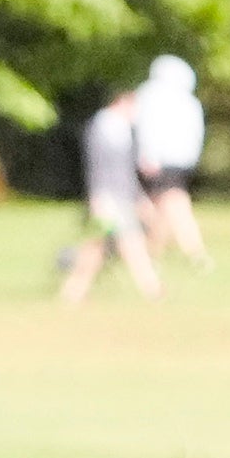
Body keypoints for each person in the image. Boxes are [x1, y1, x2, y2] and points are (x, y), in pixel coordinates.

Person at [55, 72, 164, 303]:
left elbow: (126, 170)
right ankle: (151, 288)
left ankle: (73, 291)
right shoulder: (103, 126)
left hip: (121, 196)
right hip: (108, 198)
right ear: (123, 101)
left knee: (98, 246)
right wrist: (98, 198)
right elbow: (98, 167)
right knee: (126, 242)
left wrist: (138, 197)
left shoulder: (123, 130)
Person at [129, 54, 215, 275]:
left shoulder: (150, 96)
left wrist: (147, 156)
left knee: (171, 207)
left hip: (158, 162)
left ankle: (191, 252)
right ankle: (156, 254)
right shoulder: (189, 102)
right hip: (182, 163)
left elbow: (146, 130)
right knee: (168, 207)